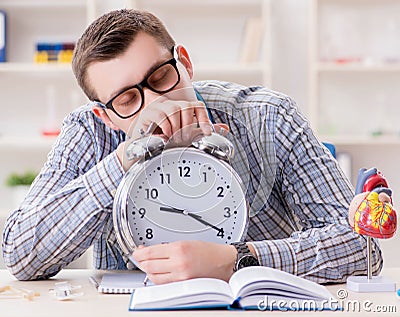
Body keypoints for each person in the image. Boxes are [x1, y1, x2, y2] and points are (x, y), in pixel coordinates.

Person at [2, 9, 384, 283]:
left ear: (184, 62)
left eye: (161, 76)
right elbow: (19, 255)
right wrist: (122, 160)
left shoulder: (267, 116)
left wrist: (240, 260)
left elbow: (361, 246)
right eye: (126, 101)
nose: (154, 103)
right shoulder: (91, 133)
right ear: (106, 116)